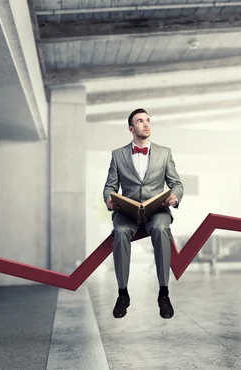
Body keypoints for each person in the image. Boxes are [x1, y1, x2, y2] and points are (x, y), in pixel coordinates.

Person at [103, 108, 184, 319]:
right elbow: (109, 187)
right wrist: (110, 201)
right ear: (131, 128)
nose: (146, 124)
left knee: (160, 228)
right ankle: (122, 294)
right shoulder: (117, 155)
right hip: (127, 213)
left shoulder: (164, 153)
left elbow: (176, 184)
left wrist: (175, 196)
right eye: (140, 121)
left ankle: (164, 294)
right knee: (119, 233)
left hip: (156, 211)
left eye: (148, 120)